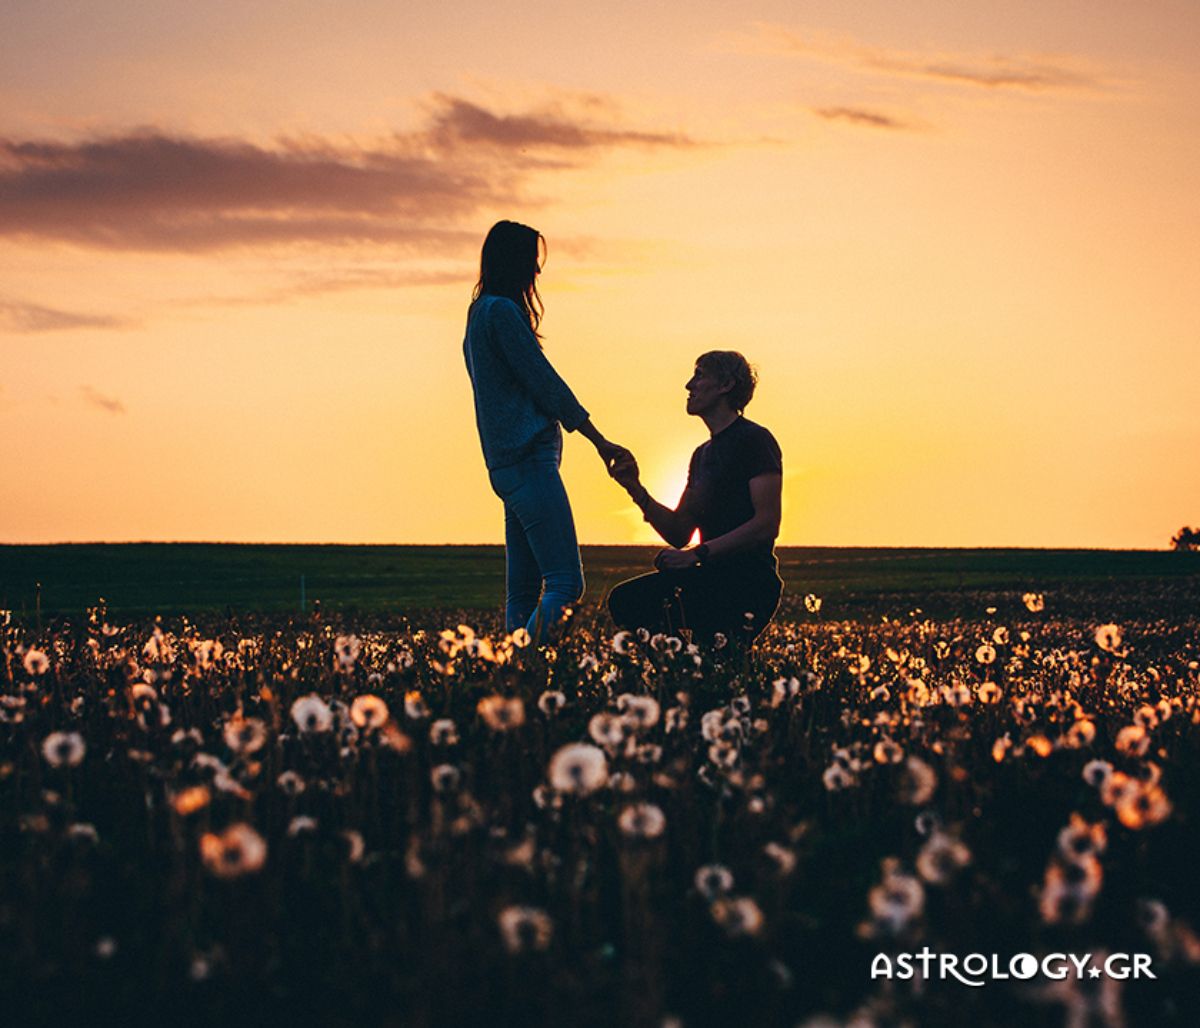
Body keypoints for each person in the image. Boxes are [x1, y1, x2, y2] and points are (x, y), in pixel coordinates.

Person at [463, 220, 629, 641]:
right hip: (528, 461)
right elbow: (543, 380)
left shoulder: (479, 314)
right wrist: (597, 438)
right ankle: (519, 666)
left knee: (522, 592)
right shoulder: (501, 313)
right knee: (565, 585)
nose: (537, 272)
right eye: (532, 261)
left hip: (504, 466)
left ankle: (516, 685)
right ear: (514, 262)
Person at [607, 351, 783, 645]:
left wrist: (696, 555)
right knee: (628, 601)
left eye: (700, 375)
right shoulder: (702, 455)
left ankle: (687, 670)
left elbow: (766, 524)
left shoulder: (754, 440)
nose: (689, 385)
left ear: (726, 384)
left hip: (748, 583)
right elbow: (679, 532)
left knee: (720, 668)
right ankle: (682, 669)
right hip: (710, 581)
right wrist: (635, 488)